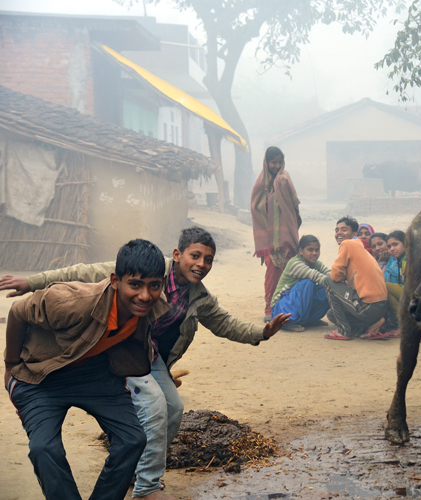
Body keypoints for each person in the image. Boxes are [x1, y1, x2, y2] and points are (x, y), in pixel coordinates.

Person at [0, 227, 291, 500]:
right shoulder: (128, 278)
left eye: (209, 260)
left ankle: (139, 474)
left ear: (161, 286)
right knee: (54, 444)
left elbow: (224, 323)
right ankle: (147, 486)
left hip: (135, 359)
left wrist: (261, 333)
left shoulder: (194, 296)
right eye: (195, 255)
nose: (202, 264)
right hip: (67, 368)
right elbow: (79, 273)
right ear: (177, 255)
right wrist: (30, 287)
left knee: (162, 416)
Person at [3, 239, 168, 500]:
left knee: (133, 440)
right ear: (116, 281)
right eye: (135, 285)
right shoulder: (72, 302)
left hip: (95, 375)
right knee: (44, 449)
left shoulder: (152, 305)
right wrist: (10, 366)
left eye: (154, 286)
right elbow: (18, 312)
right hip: (42, 376)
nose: (145, 296)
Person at [251, 146, 302, 321]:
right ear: (267, 162)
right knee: (272, 272)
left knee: (290, 272)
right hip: (268, 238)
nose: (277, 165)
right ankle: (269, 307)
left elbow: (292, 206)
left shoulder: (284, 179)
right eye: (274, 162)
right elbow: (256, 208)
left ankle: (287, 307)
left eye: (280, 162)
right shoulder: (261, 183)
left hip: (286, 235)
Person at [324, 219, 389, 340]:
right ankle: (373, 325)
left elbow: (334, 276)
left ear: (354, 234)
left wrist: (342, 277)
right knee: (331, 315)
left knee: (327, 281)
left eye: (344, 230)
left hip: (368, 306)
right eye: (337, 230)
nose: (339, 233)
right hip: (380, 308)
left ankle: (344, 331)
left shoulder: (348, 244)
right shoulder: (361, 248)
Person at [271, 235, 331, 332]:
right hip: (281, 309)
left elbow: (329, 274)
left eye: (317, 250)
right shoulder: (295, 263)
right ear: (301, 251)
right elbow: (316, 276)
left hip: (297, 305)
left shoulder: (316, 264)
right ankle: (289, 322)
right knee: (308, 283)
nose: (314, 253)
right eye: (310, 250)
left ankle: (310, 320)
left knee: (326, 289)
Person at [382, 230, 407, 338]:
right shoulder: (400, 260)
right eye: (389, 246)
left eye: (395, 244)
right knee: (387, 291)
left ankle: (405, 325)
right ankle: (404, 324)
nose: (392, 249)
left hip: (417, 296)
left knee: (385, 286)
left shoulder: (407, 259)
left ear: (405, 243)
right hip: (410, 294)